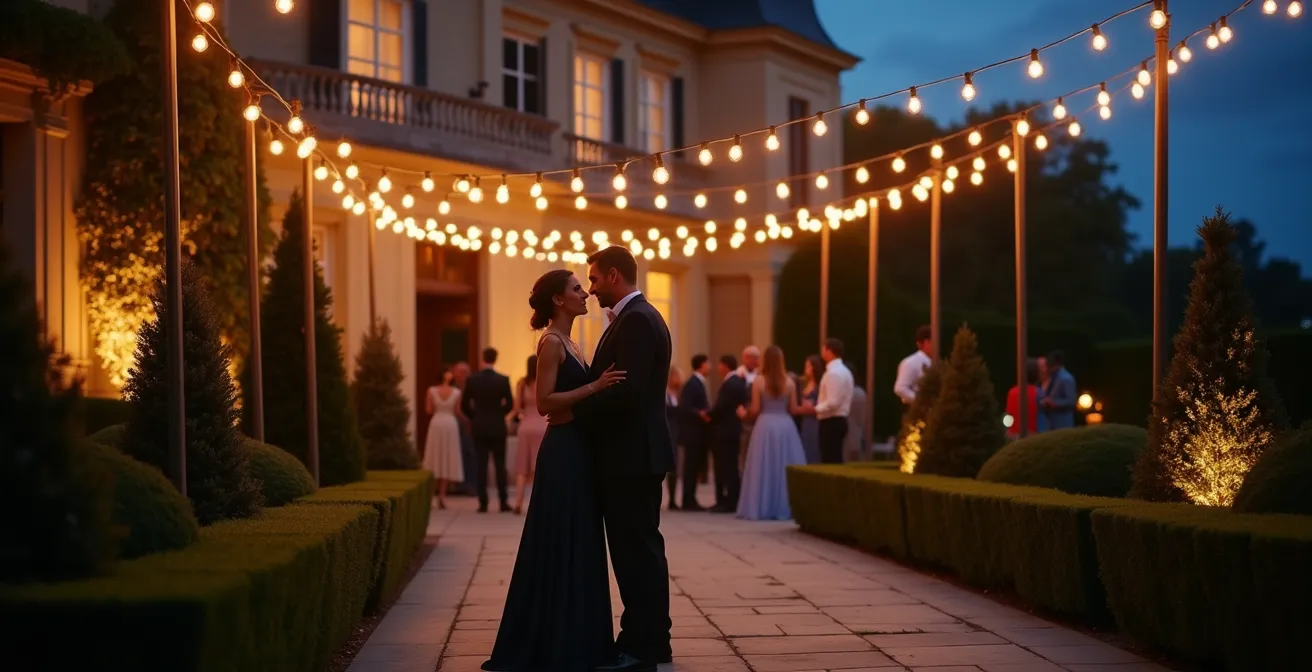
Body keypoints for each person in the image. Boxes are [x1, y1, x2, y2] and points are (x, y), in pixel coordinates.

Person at [482, 269, 626, 672]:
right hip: (562, 452)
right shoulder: (550, 343)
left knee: (578, 543)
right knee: (559, 542)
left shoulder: (573, 343)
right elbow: (544, 402)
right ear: (559, 301)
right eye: (578, 289)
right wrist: (595, 387)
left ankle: (576, 636)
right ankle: (552, 639)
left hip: (579, 451)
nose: (586, 294)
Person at [577, 246, 675, 671]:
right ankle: (646, 641)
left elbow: (627, 392)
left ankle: (643, 649)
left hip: (631, 457)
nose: (591, 288)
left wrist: (577, 404)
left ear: (614, 275)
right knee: (639, 552)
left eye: (595, 279)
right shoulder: (641, 316)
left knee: (636, 555)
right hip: (633, 455)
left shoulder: (636, 320)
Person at [737, 346, 810, 520]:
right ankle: (786, 505)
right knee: (784, 465)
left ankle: (762, 505)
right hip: (785, 426)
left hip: (765, 425)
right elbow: (793, 409)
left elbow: (755, 410)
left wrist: (743, 413)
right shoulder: (790, 382)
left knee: (763, 466)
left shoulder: (759, 381)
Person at [463, 348, 514, 513]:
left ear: (483, 359)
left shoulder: (472, 380)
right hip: (498, 426)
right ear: (495, 359)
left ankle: (483, 502)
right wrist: (500, 414)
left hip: (479, 426)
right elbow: (510, 404)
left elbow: (464, 404)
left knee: (481, 465)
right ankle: (503, 501)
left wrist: (474, 416)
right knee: (500, 465)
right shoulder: (503, 380)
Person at [708, 354, 748, 513]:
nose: (718, 368)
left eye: (719, 365)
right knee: (729, 466)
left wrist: (708, 415)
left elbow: (721, 407)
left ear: (725, 366)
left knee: (727, 467)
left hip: (725, 432)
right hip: (731, 431)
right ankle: (729, 499)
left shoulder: (731, 383)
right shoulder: (738, 381)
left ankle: (728, 501)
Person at [423, 365, 466, 510]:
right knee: (437, 457)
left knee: (443, 458)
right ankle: (438, 495)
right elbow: (458, 411)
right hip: (447, 423)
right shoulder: (452, 392)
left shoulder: (452, 392)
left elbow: (429, 410)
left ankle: (440, 495)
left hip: (440, 422)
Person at [511, 355, 547, 515]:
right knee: (539, 466)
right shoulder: (545, 381)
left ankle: (518, 502)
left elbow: (517, 408)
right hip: (543, 425)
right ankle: (537, 504)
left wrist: (524, 414)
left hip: (526, 426)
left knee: (522, 466)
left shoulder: (521, 384)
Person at [676, 355, 712, 511]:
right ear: (701, 365)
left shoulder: (699, 383)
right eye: (708, 363)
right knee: (690, 468)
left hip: (698, 434)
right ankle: (688, 500)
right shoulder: (692, 384)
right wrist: (700, 414)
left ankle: (691, 498)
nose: (710, 366)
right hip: (692, 434)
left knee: (695, 467)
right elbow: (685, 407)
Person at [815, 338, 854, 464]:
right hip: (837, 421)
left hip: (831, 421)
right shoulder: (843, 371)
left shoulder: (834, 373)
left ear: (829, 351)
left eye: (823, 348)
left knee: (830, 459)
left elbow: (832, 402)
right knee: (834, 457)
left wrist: (814, 408)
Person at [452, 361, 476, 495]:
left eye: (464, 372)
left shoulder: (472, 387)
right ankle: (457, 485)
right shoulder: (452, 387)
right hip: (455, 425)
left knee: (470, 454)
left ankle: (470, 485)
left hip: (468, 424)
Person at [1006, 358, 1045, 439]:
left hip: (1013, 434)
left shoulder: (1012, 392)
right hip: (1033, 434)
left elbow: (1009, 414)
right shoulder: (1039, 393)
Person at [894, 325, 934, 405]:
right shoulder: (911, 362)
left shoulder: (934, 361)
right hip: (916, 411)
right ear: (927, 342)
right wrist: (920, 401)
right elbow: (900, 388)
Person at [736, 346, 761, 473]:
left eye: (758, 358)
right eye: (754, 358)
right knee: (744, 453)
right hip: (743, 422)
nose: (757, 361)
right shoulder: (738, 376)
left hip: (757, 419)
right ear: (746, 358)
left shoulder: (760, 375)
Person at [797, 355, 824, 464]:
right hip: (805, 421)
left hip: (814, 422)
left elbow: (820, 405)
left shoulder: (820, 385)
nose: (806, 369)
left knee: (814, 449)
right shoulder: (804, 384)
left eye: (808, 366)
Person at [1042, 350, 1077, 430]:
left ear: (1057, 365)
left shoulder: (1067, 379)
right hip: (1052, 421)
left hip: (1063, 422)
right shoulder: (1052, 378)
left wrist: (1054, 403)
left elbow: (1071, 401)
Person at [664, 366, 683, 510]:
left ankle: (672, 499)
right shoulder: (664, 394)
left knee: (675, 468)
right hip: (667, 432)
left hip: (676, 433)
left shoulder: (678, 395)